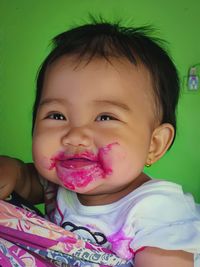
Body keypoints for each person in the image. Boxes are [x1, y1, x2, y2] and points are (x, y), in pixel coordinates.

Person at [0, 20, 200, 267]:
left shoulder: (160, 211)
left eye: (105, 117)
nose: (75, 136)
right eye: (57, 115)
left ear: (154, 144)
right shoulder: (56, 184)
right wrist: (11, 170)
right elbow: (26, 181)